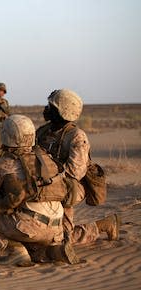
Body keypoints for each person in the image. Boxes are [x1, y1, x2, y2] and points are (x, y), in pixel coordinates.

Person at [0, 115, 76, 266]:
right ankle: (54, 250)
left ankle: (13, 250)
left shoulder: (4, 164)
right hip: (57, 227)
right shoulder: (47, 158)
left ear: (7, 135)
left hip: (31, 227)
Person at [36, 89, 120, 245]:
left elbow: (75, 172)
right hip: (47, 184)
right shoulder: (43, 132)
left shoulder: (76, 136)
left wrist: (47, 182)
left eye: (51, 106)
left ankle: (103, 225)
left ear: (63, 112)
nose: (46, 109)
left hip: (70, 186)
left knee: (63, 240)